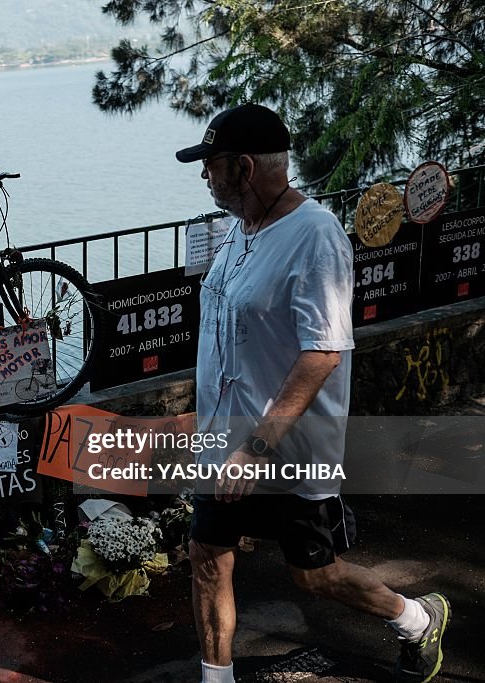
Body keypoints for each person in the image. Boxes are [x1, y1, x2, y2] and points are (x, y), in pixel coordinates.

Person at [177, 103, 450, 683]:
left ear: (245, 168)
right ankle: (215, 678)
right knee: (208, 555)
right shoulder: (240, 231)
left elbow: (322, 352)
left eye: (212, 165)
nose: (204, 175)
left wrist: (256, 448)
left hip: (286, 446)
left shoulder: (316, 235)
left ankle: (417, 619)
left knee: (314, 574)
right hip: (222, 439)